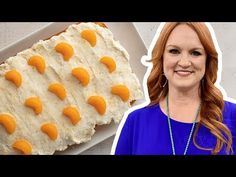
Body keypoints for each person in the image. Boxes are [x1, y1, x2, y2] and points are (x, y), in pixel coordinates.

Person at [112, 22, 236, 155]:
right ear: (162, 57)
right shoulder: (136, 121)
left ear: (207, 60)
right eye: (174, 51)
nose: (184, 63)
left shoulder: (233, 116)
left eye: (195, 53)